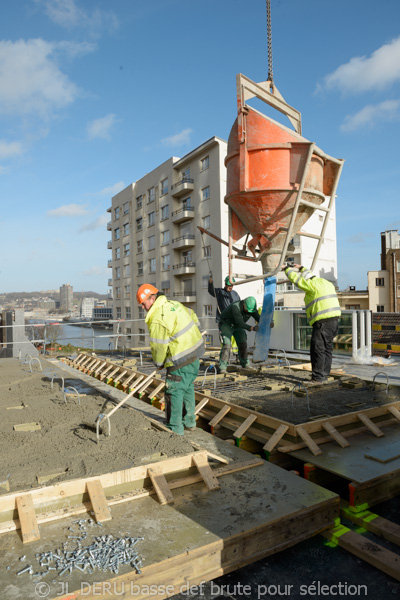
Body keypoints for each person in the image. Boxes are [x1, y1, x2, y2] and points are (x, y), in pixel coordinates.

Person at [137, 284, 205, 435]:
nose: (143, 307)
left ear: (152, 298)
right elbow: (192, 314)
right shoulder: (173, 304)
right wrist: (197, 331)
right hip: (195, 353)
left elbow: (159, 346)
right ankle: (189, 422)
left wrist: (159, 363)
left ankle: (175, 428)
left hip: (180, 357)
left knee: (174, 389)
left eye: (143, 304)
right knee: (187, 387)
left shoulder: (156, 318)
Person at [283, 263, 341, 384]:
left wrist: (286, 269)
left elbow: (297, 280)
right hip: (334, 321)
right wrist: (301, 268)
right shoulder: (325, 283)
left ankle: (318, 378)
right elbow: (308, 275)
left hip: (322, 322)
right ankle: (324, 374)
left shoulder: (312, 285)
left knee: (317, 350)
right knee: (327, 349)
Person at [218, 297, 260, 373]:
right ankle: (222, 367)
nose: (249, 312)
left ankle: (245, 364)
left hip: (238, 326)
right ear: (244, 304)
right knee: (227, 345)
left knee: (243, 343)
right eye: (247, 310)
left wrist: (265, 323)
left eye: (251, 311)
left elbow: (258, 317)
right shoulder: (235, 307)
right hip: (227, 324)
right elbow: (240, 323)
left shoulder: (251, 308)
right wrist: (252, 328)